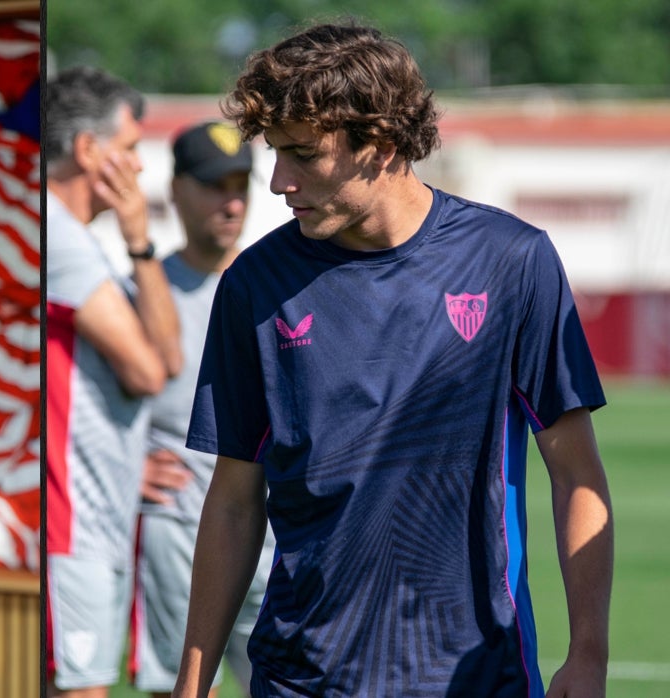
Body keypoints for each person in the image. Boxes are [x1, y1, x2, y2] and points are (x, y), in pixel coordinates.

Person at [173, 23, 613, 698]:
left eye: (301, 156)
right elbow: (234, 500)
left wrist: (588, 656)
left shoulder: (511, 262)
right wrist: (192, 686)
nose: (278, 183)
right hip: (300, 678)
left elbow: (576, 475)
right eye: (275, 155)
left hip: (474, 675)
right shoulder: (253, 287)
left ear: (377, 145)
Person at [44, 65, 181, 698]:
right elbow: (153, 368)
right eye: (128, 150)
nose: (138, 168)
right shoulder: (59, 237)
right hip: (71, 525)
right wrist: (138, 238)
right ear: (88, 150)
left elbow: (166, 357)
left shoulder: (76, 240)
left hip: (94, 515)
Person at [131, 121, 274, 698]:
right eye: (216, 185)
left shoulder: (280, 281)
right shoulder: (138, 288)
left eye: (242, 183)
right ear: (177, 189)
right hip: (179, 541)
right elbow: (78, 408)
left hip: (279, 539)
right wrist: (129, 467)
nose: (232, 200)